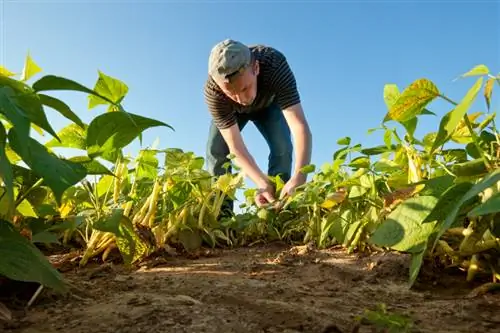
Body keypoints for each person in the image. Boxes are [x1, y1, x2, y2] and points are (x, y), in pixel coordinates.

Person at [204, 39, 312, 217]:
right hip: (231, 112)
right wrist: (261, 182)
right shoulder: (214, 93)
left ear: (256, 68)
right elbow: (236, 148)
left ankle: (278, 210)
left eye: (245, 88)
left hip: (268, 105)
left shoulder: (275, 65)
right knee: (216, 150)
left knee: (282, 147)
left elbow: (299, 126)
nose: (241, 99)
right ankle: (221, 217)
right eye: (231, 93)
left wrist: (300, 177)